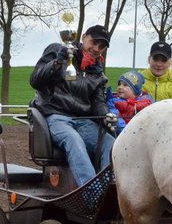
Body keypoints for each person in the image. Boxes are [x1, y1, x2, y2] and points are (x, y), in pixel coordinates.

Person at [29, 24, 116, 187]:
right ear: (83, 37)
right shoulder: (57, 51)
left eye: (102, 46)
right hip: (56, 116)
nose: (96, 49)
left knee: (111, 145)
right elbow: (35, 80)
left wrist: (106, 116)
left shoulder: (97, 72)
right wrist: (57, 62)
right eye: (94, 42)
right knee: (74, 141)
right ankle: (93, 193)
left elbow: (97, 102)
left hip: (83, 120)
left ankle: (109, 189)